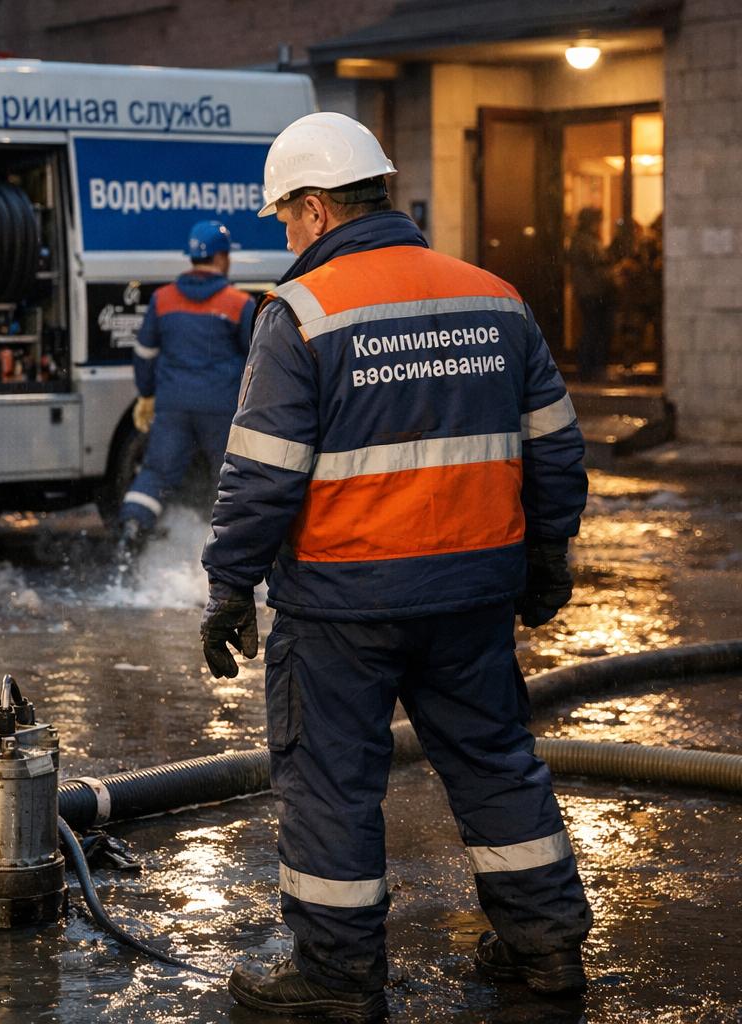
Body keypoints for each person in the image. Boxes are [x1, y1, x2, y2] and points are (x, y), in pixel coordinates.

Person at [199, 112, 591, 1020]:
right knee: (497, 763)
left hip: (343, 605)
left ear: (316, 207)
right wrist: (549, 551)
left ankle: (337, 977)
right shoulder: (495, 297)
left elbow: (262, 474)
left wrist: (228, 586)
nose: (288, 240)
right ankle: (546, 948)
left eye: (288, 221)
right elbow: (555, 447)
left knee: (333, 781)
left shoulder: (302, 314)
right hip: (473, 594)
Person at [117, 220, 255, 548]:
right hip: (222, 409)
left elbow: (145, 352)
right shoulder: (239, 303)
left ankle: (132, 531)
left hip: (173, 406)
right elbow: (256, 360)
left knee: (157, 471)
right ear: (222, 258)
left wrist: (147, 393)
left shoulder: (163, 299)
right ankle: (228, 549)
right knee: (229, 476)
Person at [568, 206, 613, 382]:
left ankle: (590, 368)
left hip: (591, 291)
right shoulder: (584, 241)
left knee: (594, 328)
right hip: (593, 292)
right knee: (594, 329)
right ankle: (590, 368)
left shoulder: (582, 240)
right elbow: (596, 263)